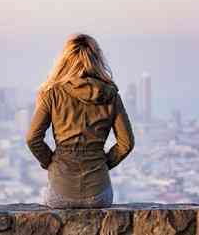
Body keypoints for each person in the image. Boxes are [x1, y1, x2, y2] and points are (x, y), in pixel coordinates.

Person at [25, 33, 134, 208]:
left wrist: (51, 163)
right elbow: (126, 143)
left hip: (60, 192)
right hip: (99, 194)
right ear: (97, 59)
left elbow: (32, 138)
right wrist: (103, 163)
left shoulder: (52, 94)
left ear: (65, 60)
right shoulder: (111, 95)